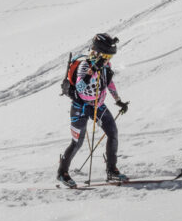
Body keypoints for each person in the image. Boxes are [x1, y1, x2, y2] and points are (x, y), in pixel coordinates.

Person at [56, 34, 130, 188]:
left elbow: (109, 84)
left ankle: (112, 170)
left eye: (110, 56)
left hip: (98, 106)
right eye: (107, 55)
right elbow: (80, 88)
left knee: (113, 133)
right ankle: (62, 172)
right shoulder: (85, 66)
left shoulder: (106, 67)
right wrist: (92, 70)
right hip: (80, 108)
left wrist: (118, 101)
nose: (109, 59)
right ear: (98, 53)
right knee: (77, 142)